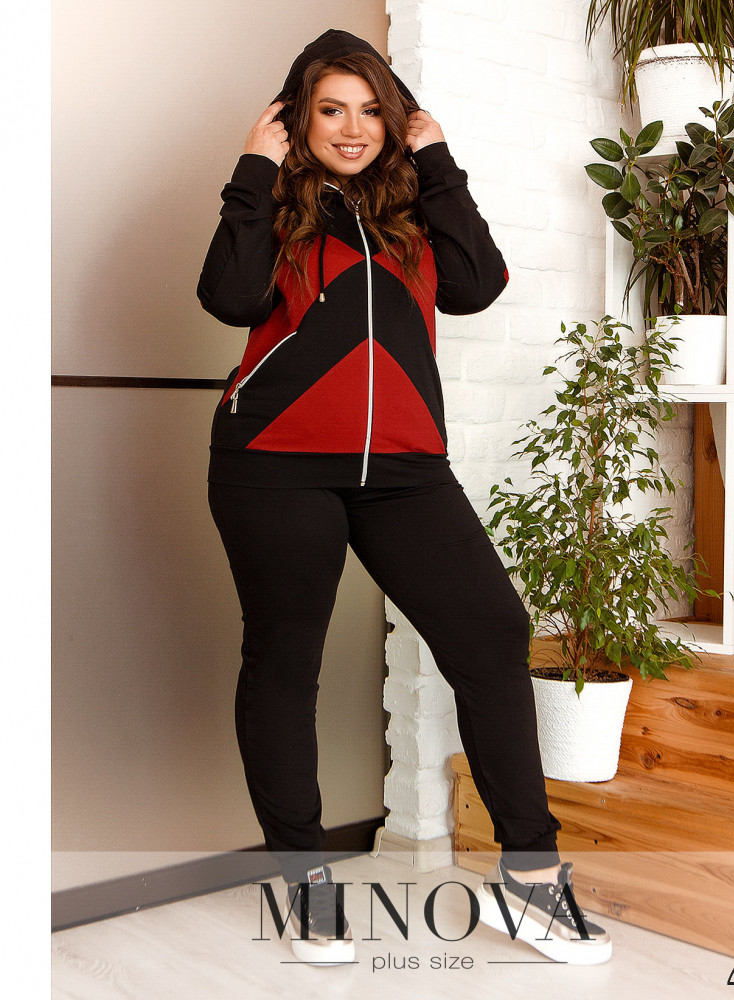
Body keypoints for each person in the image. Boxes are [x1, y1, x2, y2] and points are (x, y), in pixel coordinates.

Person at [198, 28, 611, 967]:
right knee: (286, 661)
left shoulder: (413, 209)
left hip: (406, 469)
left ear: (395, 118)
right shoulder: (276, 206)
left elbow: (477, 285)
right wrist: (253, 172)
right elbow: (228, 297)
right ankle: (304, 883)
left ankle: (531, 879)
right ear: (296, 120)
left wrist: (438, 161)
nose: (352, 129)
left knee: (492, 633)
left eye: (371, 110)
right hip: (274, 464)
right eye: (330, 110)